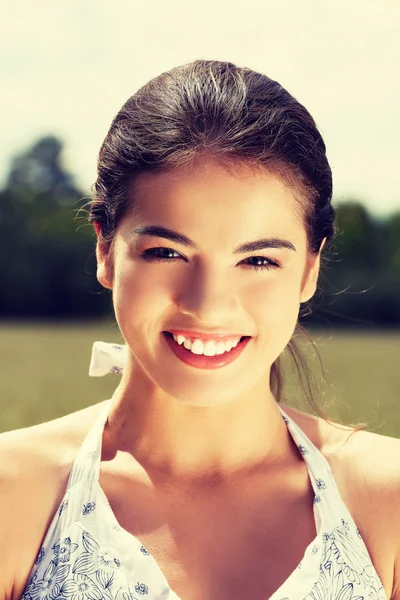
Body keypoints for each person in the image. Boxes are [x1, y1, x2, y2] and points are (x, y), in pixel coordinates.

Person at [0, 59, 399, 600]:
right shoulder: (14, 493)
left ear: (309, 268)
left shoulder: (386, 498)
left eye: (258, 260)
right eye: (167, 252)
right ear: (105, 249)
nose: (207, 306)